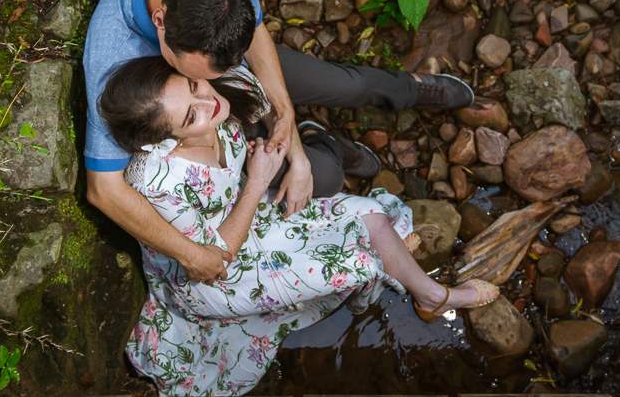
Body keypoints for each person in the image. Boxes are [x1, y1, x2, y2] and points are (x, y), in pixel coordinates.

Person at [98, 57, 496, 396]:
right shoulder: (160, 182)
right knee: (340, 263)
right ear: (163, 140)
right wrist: (256, 180)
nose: (209, 101)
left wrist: (284, 155)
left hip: (250, 214)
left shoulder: (221, 86)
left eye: (194, 86)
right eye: (192, 114)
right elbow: (213, 264)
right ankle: (402, 275)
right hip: (215, 275)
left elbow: (272, 104)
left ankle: (427, 294)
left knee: (362, 213)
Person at [83, 0, 475, 283]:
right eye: (200, 73)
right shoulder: (111, 60)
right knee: (326, 177)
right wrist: (190, 254)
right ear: (160, 25)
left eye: (222, 68)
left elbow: (252, 41)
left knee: (347, 85)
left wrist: (283, 113)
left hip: (234, 83)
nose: (222, 77)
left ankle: (410, 88)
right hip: (212, 123)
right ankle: (325, 142)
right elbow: (104, 189)